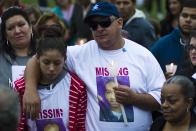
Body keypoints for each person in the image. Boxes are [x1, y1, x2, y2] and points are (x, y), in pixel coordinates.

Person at [23, 2, 165, 131]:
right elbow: (37, 59)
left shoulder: (142, 55)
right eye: (93, 25)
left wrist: (135, 98)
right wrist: (30, 90)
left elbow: (162, 98)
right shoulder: (81, 53)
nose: (99, 28)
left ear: (120, 23)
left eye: (104, 23)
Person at [14, 26, 87, 131]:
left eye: (57, 63)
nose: (51, 68)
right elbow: (18, 127)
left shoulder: (77, 87)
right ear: (37, 58)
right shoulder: (21, 88)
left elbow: (80, 126)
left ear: (65, 59)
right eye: (46, 62)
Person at [150, 0, 196, 74]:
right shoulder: (162, 45)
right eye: (184, 15)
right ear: (178, 17)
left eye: (194, 17)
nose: (188, 20)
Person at [0, 6, 36, 88]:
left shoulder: (44, 53)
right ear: (5, 35)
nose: (17, 31)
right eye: (10, 28)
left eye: (21, 25)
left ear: (30, 27)